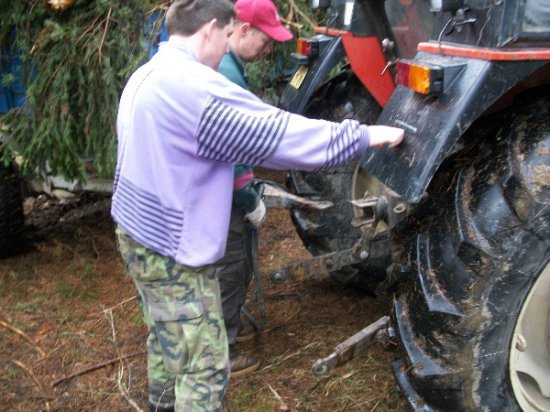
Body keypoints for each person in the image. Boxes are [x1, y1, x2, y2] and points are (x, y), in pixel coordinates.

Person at [112, 0, 404, 411]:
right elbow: (280, 136)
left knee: (167, 336)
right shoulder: (197, 89)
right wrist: (365, 137)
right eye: (229, 34)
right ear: (212, 28)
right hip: (171, 251)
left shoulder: (148, 74)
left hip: (136, 234)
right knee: (204, 368)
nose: (226, 47)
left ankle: (161, 405)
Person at [215, 0, 293, 378]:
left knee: (236, 264)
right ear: (243, 30)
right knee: (230, 267)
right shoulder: (226, 74)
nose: (268, 49)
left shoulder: (231, 66)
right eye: (265, 40)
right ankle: (222, 353)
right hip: (224, 197)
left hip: (222, 193)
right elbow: (231, 153)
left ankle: (226, 331)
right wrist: (248, 199)